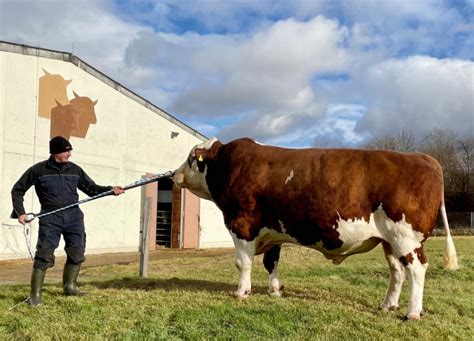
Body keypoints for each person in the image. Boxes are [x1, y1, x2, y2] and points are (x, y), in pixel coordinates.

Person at [11, 136, 125, 306]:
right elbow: (17, 190)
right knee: (44, 255)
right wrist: (20, 213)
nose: (70, 154)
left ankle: (69, 286)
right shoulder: (38, 170)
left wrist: (110, 190)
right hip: (50, 217)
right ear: (56, 152)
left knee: (77, 251)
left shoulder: (75, 170)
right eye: (67, 151)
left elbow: (92, 189)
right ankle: (35, 296)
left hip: (74, 217)